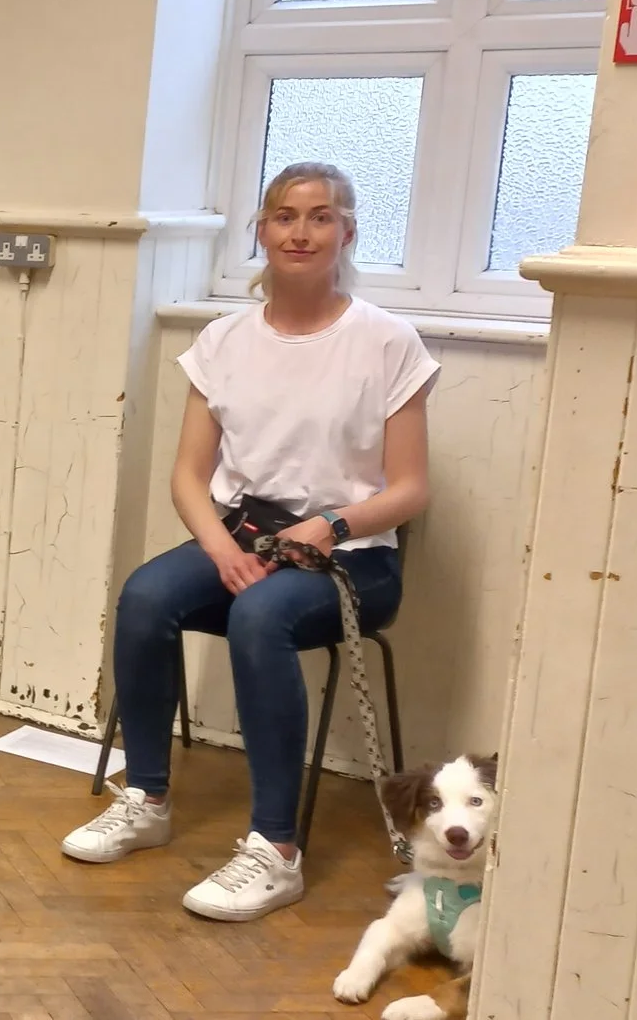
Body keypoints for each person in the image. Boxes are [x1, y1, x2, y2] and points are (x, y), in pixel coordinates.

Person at [59, 161, 435, 923]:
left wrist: (329, 525)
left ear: (347, 232)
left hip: (352, 558)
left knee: (260, 616)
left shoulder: (388, 341)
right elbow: (190, 477)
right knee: (146, 594)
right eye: (285, 215)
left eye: (321, 216)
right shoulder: (224, 339)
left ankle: (276, 848)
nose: (301, 231)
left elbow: (408, 488)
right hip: (244, 536)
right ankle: (148, 797)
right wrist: (221, 548)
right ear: (260, 230)